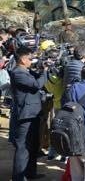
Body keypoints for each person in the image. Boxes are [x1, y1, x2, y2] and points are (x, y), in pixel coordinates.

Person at [9, 46, 48, 180]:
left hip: (34, 113)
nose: (32, 61)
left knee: (33, 146)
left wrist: (43, 67)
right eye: (30, 58)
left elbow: (37, 78)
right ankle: (19, 177)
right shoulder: (18, 73)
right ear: (22, 59)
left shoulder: (26, 71)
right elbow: (37, 84)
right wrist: (44, 72)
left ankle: (30, 173)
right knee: (23, 148)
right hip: (25, 116)